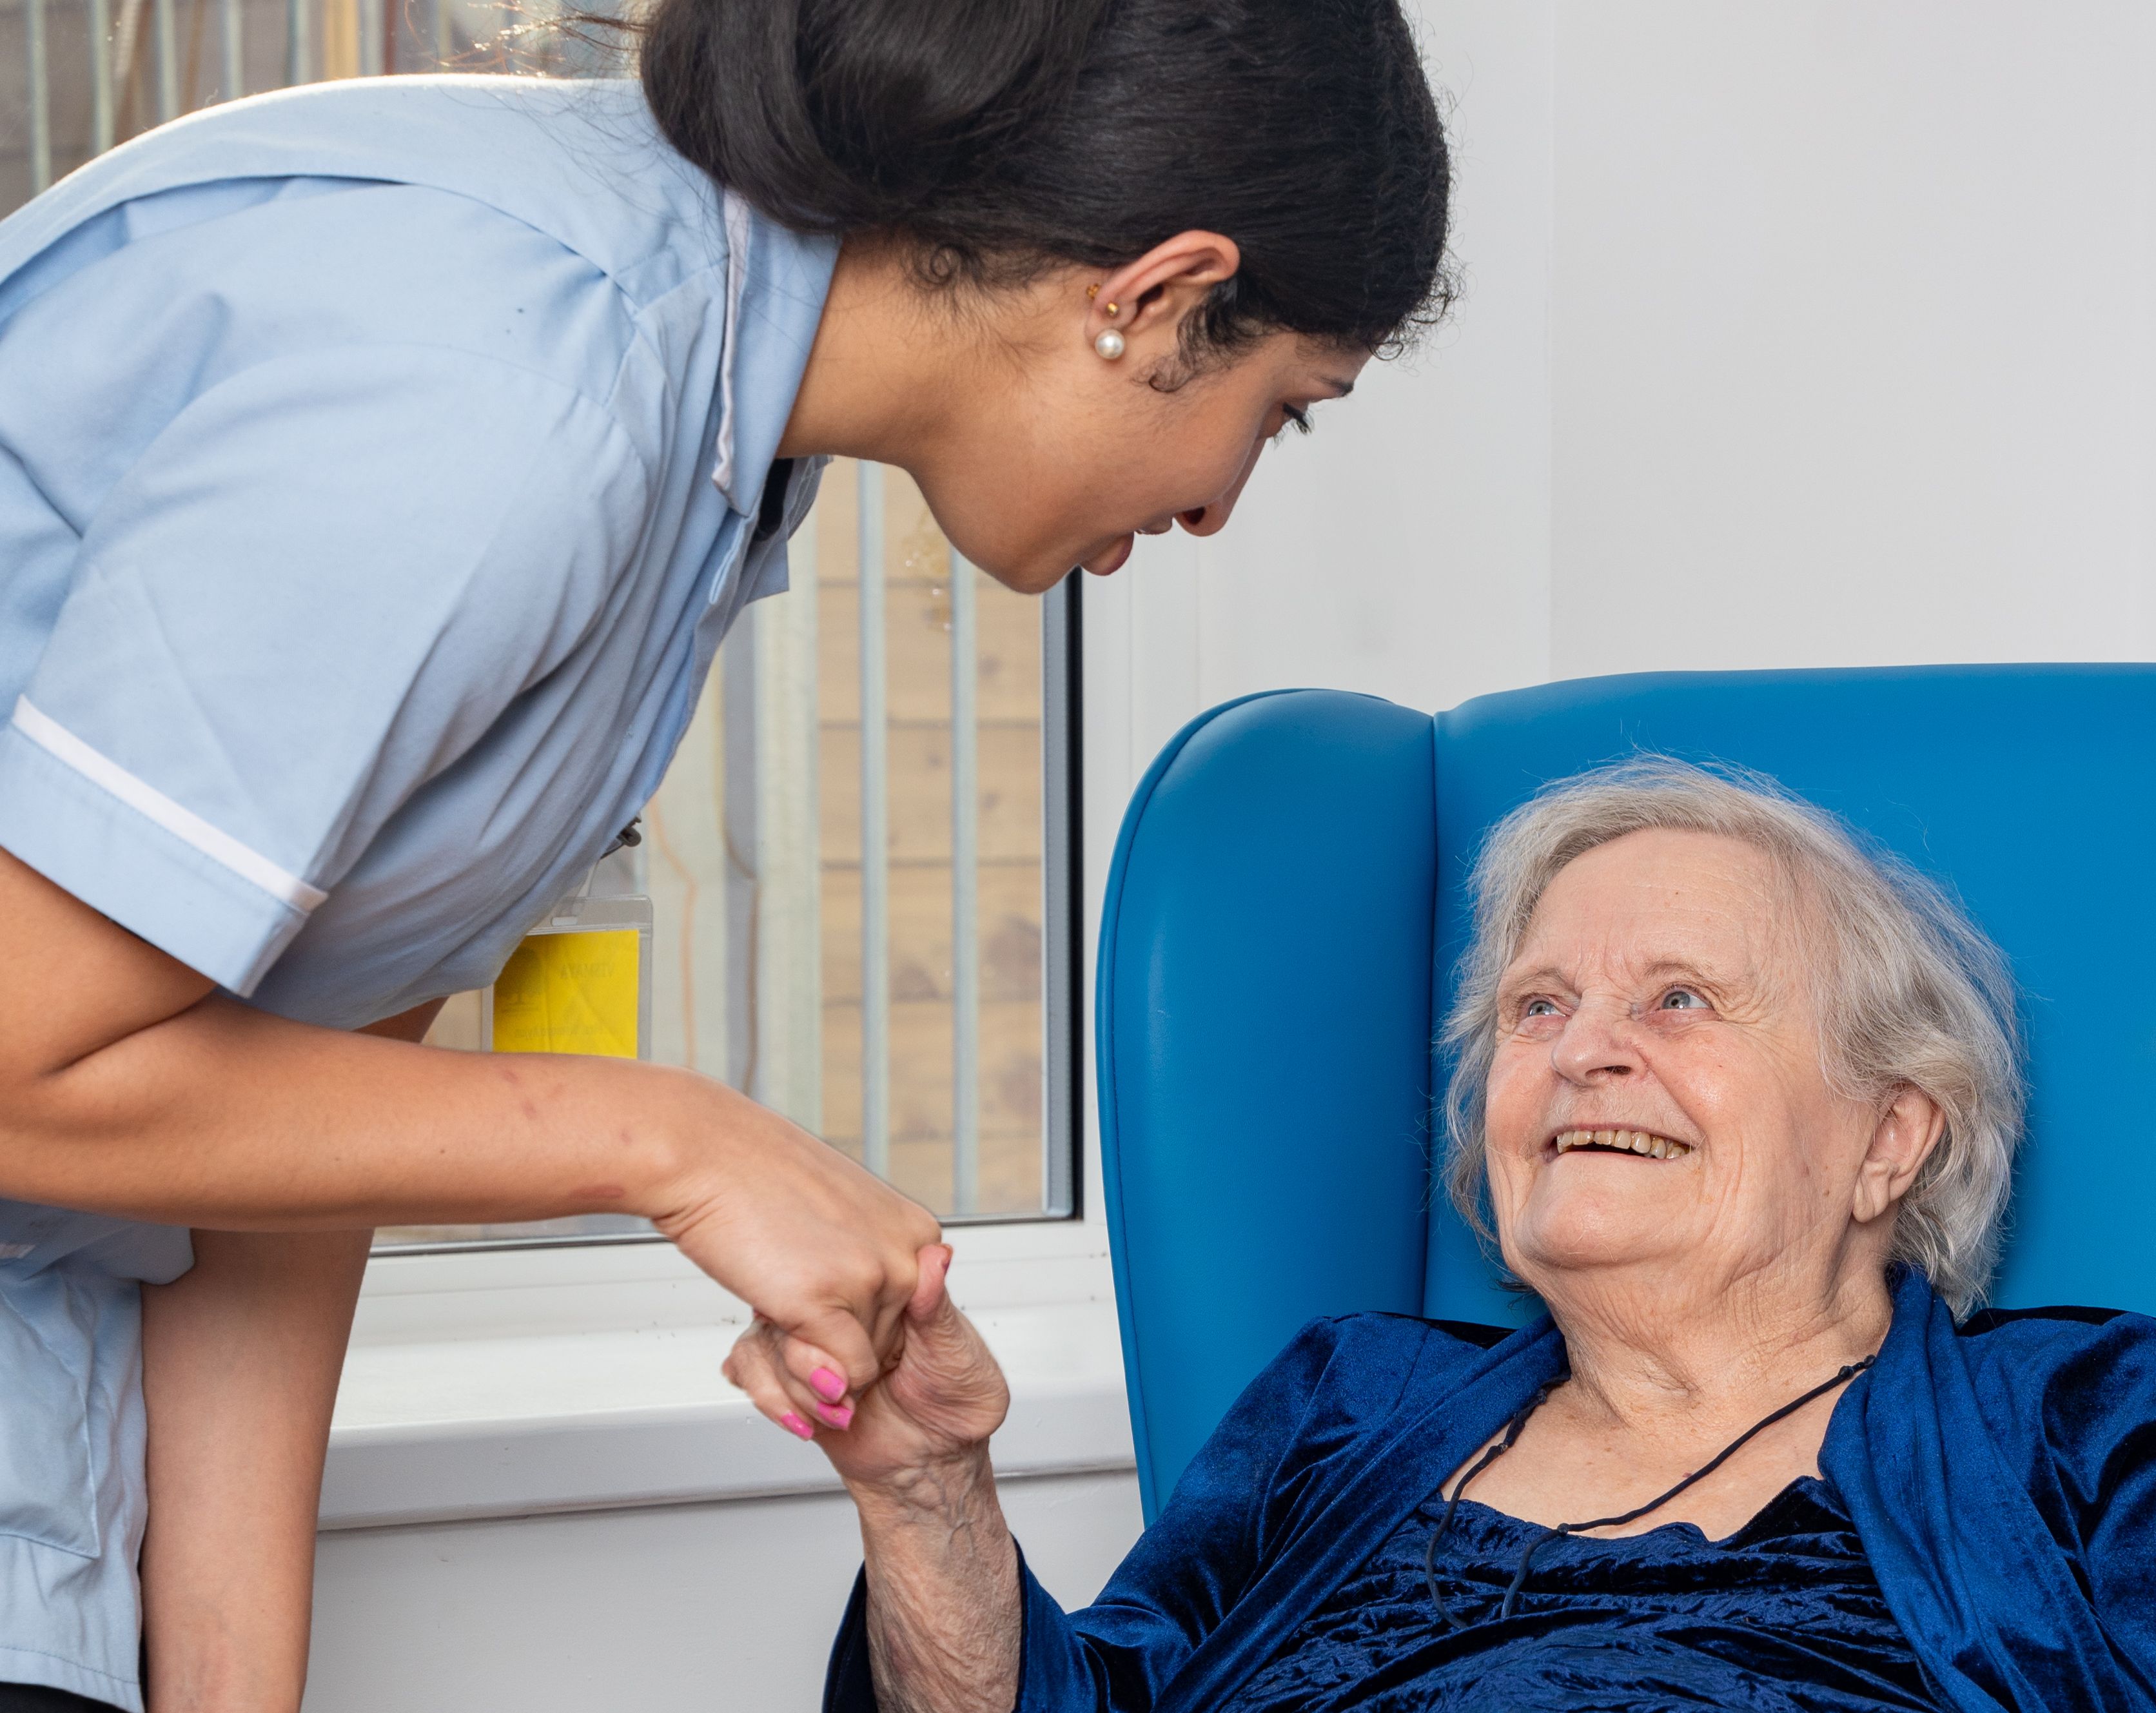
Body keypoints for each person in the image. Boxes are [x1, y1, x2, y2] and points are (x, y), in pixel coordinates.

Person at [0, 0, 1451, 1705]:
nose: (1218, 508)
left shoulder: (706, 442)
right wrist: (669, 1142)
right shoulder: (515, 393)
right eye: (1279, 411)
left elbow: (288, 1116)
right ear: (1152, 295)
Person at [763, 759, 2156, 1712]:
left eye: (1683, 999)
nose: (1582, 1047)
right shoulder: (1350, 1399)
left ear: (1890, 1133)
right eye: (1538, 1003)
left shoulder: (2083, 1414)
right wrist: (925, 1494)